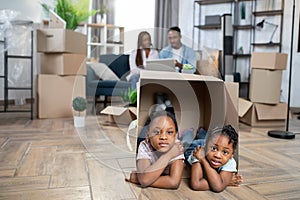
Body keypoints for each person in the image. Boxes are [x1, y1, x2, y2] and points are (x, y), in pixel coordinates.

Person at [125, 110, 184, 189]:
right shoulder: (145, 145)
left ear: (176, 136)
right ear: (147, 135)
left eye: (169, 132)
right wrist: (167, 156)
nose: (163, 137)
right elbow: (145, 180)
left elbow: (174, 182)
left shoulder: (176, 148)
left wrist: (137, 179)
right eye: (157, 132)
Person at [186, 125, 241, 192]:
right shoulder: (198, 154)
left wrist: (222, 183)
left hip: (208, 143)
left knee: (207, 139)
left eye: (225, 152)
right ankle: (189, 132)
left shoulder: (230, 162)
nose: (217, 155)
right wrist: (226, 183)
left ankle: (202, 132)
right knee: (187, 142)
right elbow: (196, 184)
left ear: (232, 155)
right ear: (205, 148)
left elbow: (218, 186)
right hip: (192, 148)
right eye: (214, 149)